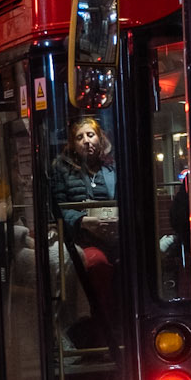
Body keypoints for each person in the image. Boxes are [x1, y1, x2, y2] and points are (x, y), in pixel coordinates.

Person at [50, 116, 119, 337]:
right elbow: (57, 207)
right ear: (72, 144)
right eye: (80, 137)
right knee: (97, 265)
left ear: (100, 138)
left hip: (114, 236)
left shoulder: (113, 166)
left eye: (90, 135)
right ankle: (96, 332)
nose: (86, 141)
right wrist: (83, 221)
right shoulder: (61, 168)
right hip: (82, 238)